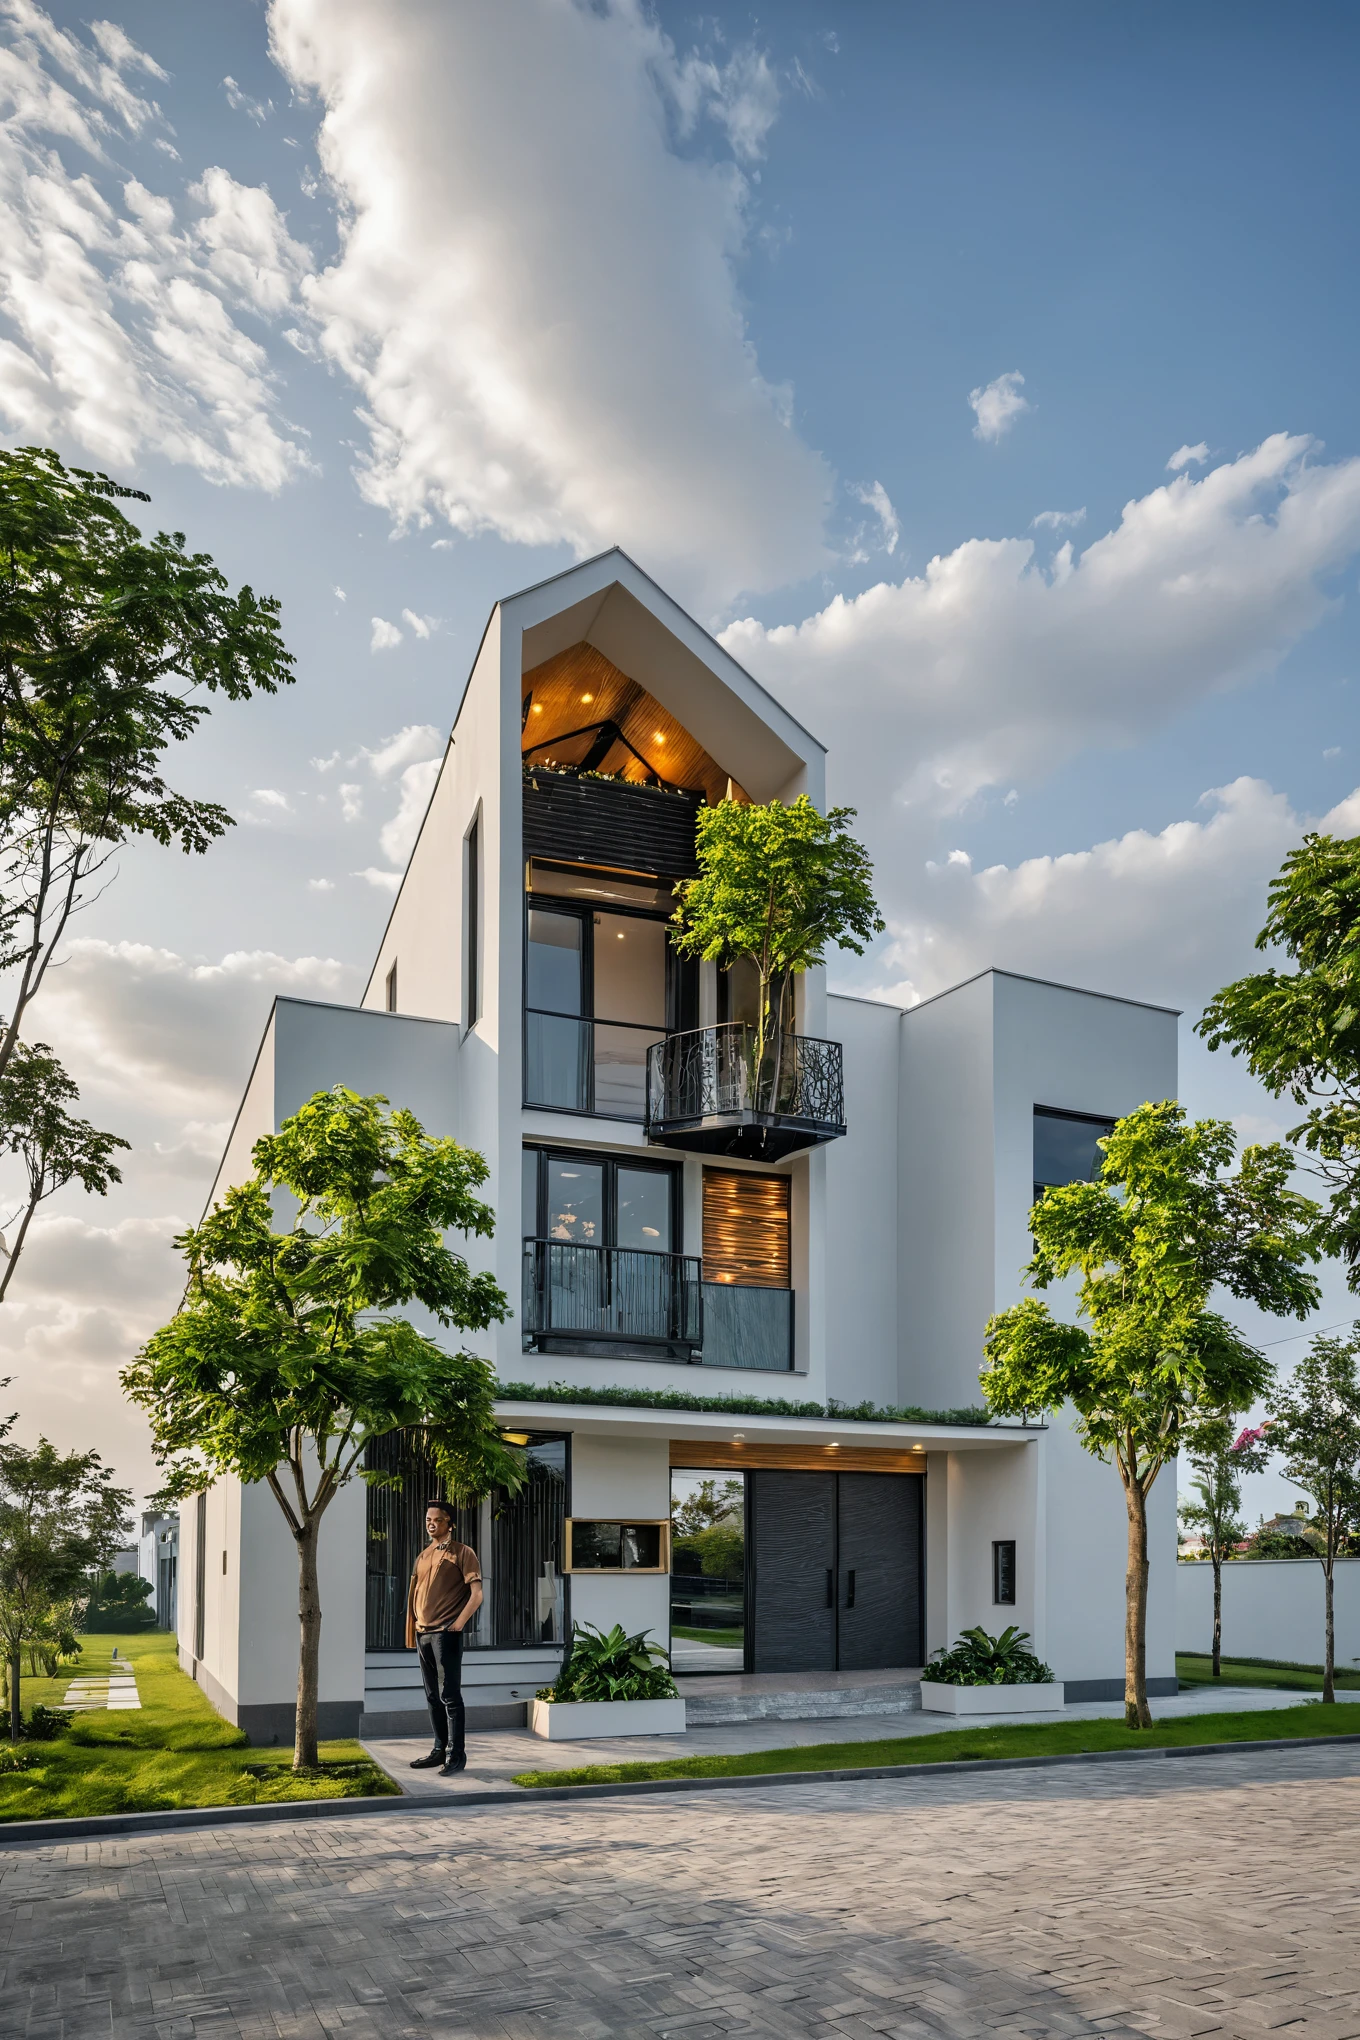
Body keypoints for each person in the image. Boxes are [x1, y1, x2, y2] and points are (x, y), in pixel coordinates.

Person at [406, 1499, 483, 1776]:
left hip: (445, 1633)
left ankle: (456, 1755)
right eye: (428, 1519)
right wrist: (415, 1627)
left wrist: (458, 1624)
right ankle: (439, 1750)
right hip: (423, 1634)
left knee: (449, 1695)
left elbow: (477, 1594)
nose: (431, 1524)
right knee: (432, 1696)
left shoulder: (462, 1552)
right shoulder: (424, 1555)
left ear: (450, 1523)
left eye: (437, 1520)